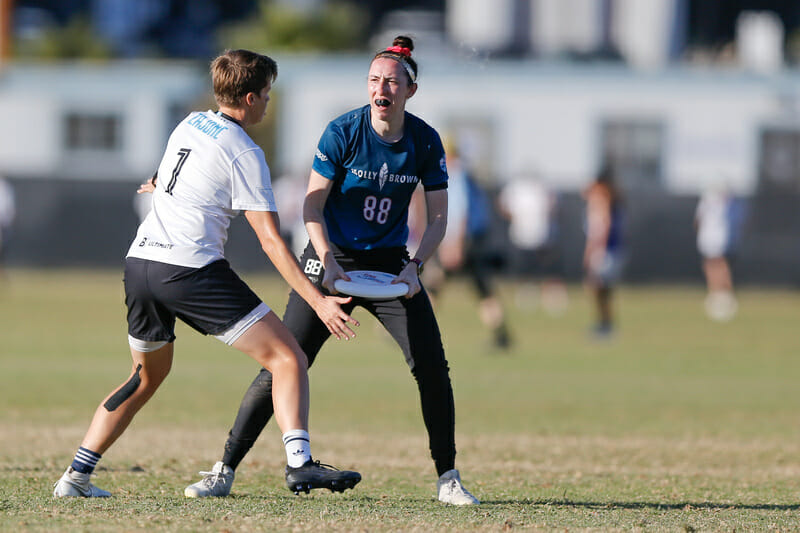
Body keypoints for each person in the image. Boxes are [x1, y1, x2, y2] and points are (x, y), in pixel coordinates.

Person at [53, 49, 362, 498]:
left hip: (140, 264)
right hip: (189, 269)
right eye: (268, 94)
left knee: (143, 378)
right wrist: (318, 301)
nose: (269, 103)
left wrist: (157, 188)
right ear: (251, 97)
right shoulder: (246, 152)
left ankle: (75, 477)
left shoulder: (190, 122)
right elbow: (271, 241)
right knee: (288, 356)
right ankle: (300, 465)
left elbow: (163, 177)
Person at [185, 36, 480, 506]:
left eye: (391, 81)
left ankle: (448, 478)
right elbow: (311, 208)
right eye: (374, 80)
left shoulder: (424, 140)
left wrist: (415, 266)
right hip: (329, 259)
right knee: (283, 362)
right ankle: (224, 470)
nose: (381, 88)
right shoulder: (342, 132)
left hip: (389, 268)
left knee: (433, 369)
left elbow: (440, 217)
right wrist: (327, 261)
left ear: (410, 90)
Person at [425, 147, 511, 350]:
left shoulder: (456, 175)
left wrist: (454, 245)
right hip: (475, 240)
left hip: (462, 241)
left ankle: (413, 328)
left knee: (433, 284)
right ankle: (501, 335)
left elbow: (459, 211)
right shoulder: (468, 175)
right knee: (482, 289)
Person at [498, 173, 568, 316]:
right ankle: (527, 296)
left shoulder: (546, 188)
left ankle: (552, 297)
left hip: (543, 236)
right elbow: (502, 204)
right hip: (522, 235)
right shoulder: (516, 188)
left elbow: (556, 206)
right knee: (525, 268)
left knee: (547, 268)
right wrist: (516, 218)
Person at [582, 164, 625, 338]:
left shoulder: (602, 198)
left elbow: (602, 226)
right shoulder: (612, 197)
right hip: (612, 249)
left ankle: (605, 324)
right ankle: (604, 323)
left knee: (596, 287)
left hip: (604, 250)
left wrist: (593, 249)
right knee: (602, 289)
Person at [694, 185, 743, 321]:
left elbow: (697, 220)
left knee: (717, 263)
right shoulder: (722, 200)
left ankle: (723, 293)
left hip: (714, 235)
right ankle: (718, 293)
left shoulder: (710, 200)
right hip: (714, 235)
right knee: (713, 264)